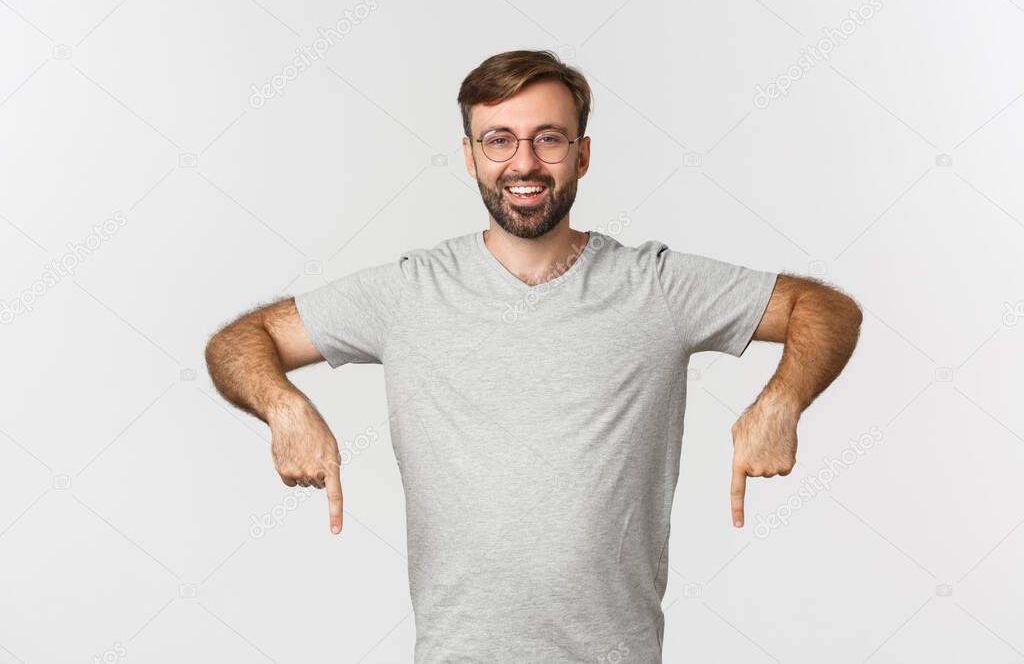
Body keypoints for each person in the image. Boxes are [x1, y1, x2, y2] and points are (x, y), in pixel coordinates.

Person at [205, 49, 862, 662]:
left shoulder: (656, 287)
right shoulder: (409, 292)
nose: (524, 162)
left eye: (549, 138)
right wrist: (283, 405)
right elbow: (240, 343)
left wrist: (781, 399)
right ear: (470, 156)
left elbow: (824, 310)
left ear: (581, 155)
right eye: (500, 140)